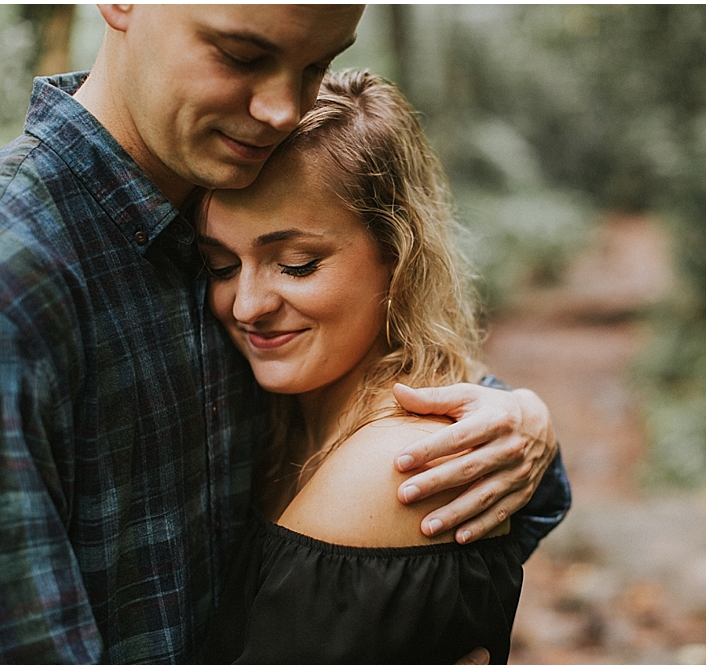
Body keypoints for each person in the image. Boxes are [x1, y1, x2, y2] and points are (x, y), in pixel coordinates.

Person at [0, 5, 569, 664]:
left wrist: (522, 426)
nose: (284, 110)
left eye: (317, 64)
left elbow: (417, 487)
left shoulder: (224, 183)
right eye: (242, 55)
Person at [198, 69, 535, 664]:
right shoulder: (275, 417)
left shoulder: (398, 470)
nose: (247, 306)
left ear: (396, 254)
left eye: (297, 264)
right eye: (222, 266)